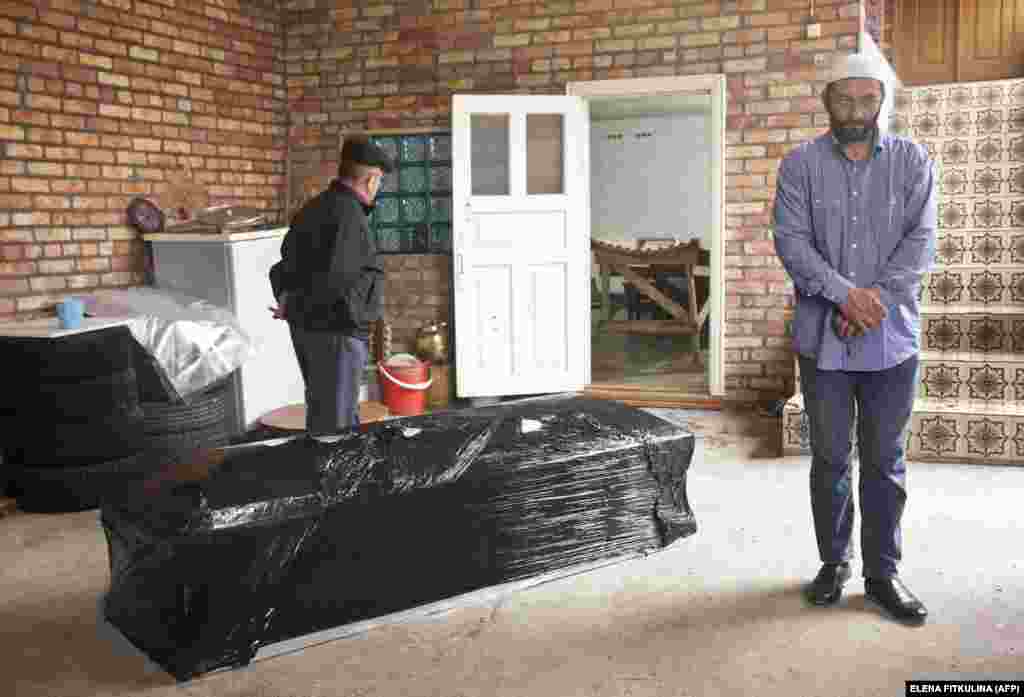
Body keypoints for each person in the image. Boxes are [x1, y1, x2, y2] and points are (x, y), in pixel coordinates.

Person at [773, 52, 938, 624]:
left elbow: (920, 243)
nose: (856, 111)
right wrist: (845, 297)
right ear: (826, 101)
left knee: (886, 460)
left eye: (868, 99)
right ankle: (833, 563)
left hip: (891, 342)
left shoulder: (913, 161)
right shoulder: (799, 165)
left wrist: (874, 305)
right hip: (824, 341)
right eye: (845, 99)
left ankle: (883, 574)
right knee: (829, 460)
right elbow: (791, 242)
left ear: (882, 102)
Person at [269, 134, 394, 438]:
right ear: (370, 179)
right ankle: (333, 483)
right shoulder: (348, 216)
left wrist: (289, 302)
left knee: (326, 410)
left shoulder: (314, 208)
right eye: (379, 181)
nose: (378, 187)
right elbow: (336, 282)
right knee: (335, 424)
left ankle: (329, 475)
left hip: (309, 329)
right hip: (336, 333)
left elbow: (282, 268)